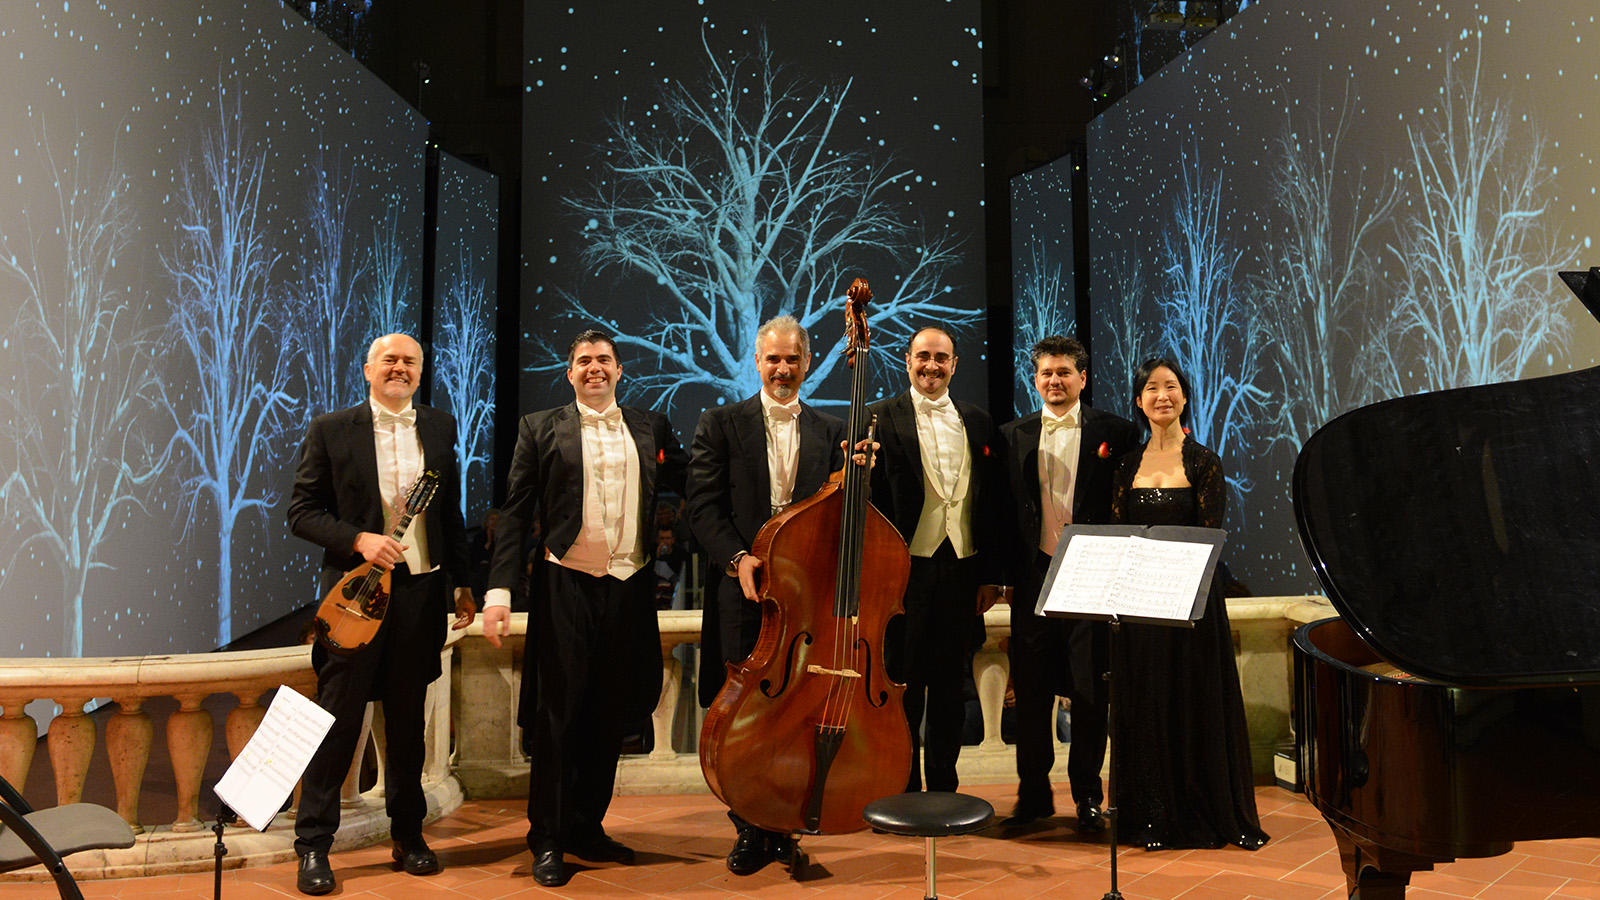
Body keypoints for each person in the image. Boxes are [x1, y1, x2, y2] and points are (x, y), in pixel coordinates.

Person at [480, 329, 688, 887]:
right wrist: (498, 590)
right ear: (569, 373)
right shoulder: (540, 427)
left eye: (604, 361)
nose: (594, 368)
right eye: (583, 361)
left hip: (630, 585)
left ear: (620, 370)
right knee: (558, 716)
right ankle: (546, 838)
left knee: (610, 712)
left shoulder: (651, 426)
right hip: (565, 582)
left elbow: (697, 479)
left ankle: (586, 827)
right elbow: (516, 511)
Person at [287, 333, 476, 896]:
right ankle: (314, 846)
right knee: (338, 721)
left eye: (410, 361)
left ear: (420, 372)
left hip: (420, 596)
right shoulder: (330, 429)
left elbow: (452, 512)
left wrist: (463, 582)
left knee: (408, 725)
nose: (399, 368)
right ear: (367, 369)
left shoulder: (440, 428)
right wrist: (360, 539)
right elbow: (301, 512)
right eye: (389, 360)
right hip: (355, 599)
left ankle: (409, 835)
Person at [686, 315, 845, 876]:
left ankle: (783, 824)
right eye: (773, 359)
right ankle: (749, 825)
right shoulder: (720, 423)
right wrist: (738, 559)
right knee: (743, 717)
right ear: (757, 362)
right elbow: (701, 507)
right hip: (743, 592)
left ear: (806, 362)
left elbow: (837, 519)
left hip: (804, 599)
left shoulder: (830, 431)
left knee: (796, 713)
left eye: (792, 359)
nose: (782, 369)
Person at [1108, 358, 1269, 851]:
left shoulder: (1203, 462)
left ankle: (1208, 812)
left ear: (1184, 397)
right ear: (1138, 402)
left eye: (1171, 387)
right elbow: (1119, 534)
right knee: (1148, 703)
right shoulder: (1125, 465)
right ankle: (1153, 817)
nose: (1162, 395)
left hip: (1192, 605)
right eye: (1151, 388)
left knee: (1193, 701)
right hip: (1142, 609)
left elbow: (1210, 536)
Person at [999, 335, 1139, 831]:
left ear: (1082, 378)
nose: (1054, 381)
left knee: (1088, 690)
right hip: (1034, 573)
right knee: (1032, 689)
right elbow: (1003, 515)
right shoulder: (1013, 433)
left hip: (1092, 574)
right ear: (1034, 380)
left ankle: (1088, 798)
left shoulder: (1117, 433)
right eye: (1045, 373)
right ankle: (1033, 796)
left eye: (1064, 372)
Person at [866, 326, 1005, 793]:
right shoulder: (877, 419)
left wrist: (991, 577)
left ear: (954, 364)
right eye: (923, 356)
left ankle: (945, 786)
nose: (931, 365)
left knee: (951, 686)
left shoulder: (979, 421)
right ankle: (902, 787)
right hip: (903, 572)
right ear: (907, 361)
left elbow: (990, 505)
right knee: (902, 685)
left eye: (941, 358)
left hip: (961, 570)